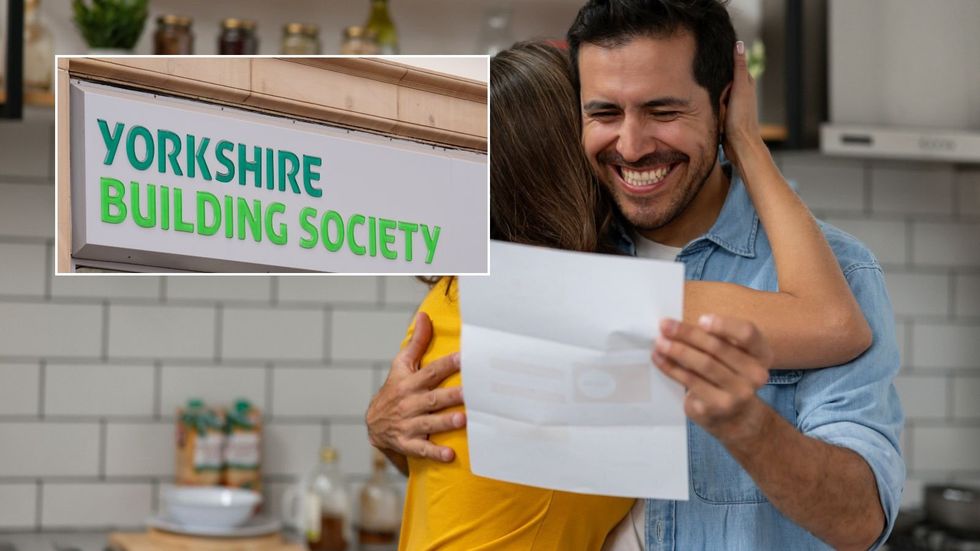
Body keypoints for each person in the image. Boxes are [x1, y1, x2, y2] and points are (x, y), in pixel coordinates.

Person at [367, 31, 892, 551]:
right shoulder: (570, 296)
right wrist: (746, 142)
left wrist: (382, 427)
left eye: (658, 111)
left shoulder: (456, 296)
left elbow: (440, 459)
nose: (627, 144)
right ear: (562, 164)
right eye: (599, 116)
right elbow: (833, 323)